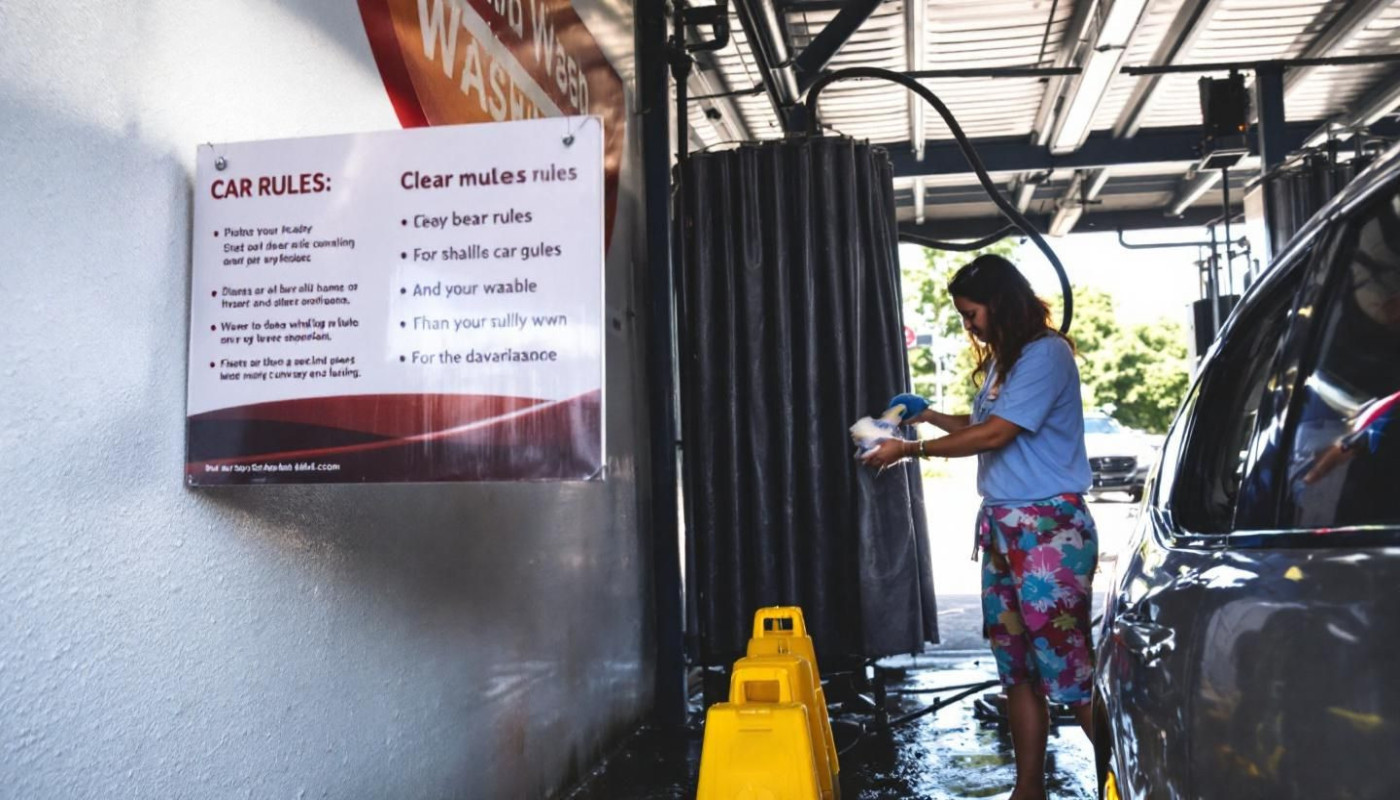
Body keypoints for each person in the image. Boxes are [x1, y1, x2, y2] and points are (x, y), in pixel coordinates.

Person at [863, 253, 1097, 800]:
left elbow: (995, 435)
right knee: (1016, 668)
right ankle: (1028, 790)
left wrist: (909, 450)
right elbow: (982, 424)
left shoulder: (1045, 354)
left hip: (1048, 529)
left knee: (1069, 671)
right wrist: (927, 416)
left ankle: (1134, 784)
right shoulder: (1005, 361)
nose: (969, 326)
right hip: (1003, 527)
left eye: (972, 314)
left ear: (1001, 303)